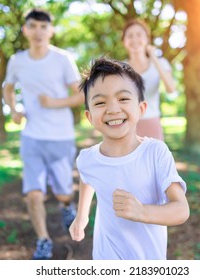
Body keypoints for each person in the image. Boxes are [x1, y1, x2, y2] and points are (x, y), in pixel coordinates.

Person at [69, 57, 189, 260]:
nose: (113, 109)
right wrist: (82, 216)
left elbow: (181, 210)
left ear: (141, 109)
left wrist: (142, 212)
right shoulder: (87, 158)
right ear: (90, 117)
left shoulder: (155, 152)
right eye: (100, 102)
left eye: (123, 99)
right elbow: (86, 177)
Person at [2, 8, 83, 260]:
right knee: (33, 192)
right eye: (33, 26)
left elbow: (81, 95)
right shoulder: (17, 61)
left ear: (51, 31)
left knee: (62, 191)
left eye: (43, 27)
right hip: (32, 137)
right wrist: (14, 110)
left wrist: (54, 103)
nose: (38, 31)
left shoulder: (63, 59)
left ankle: (66, 205)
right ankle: (43, 240)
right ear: (25, 30)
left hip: (61, 136)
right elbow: (8, 87)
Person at [122, 19, 177, 141]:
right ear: (124, 41)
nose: (135, 39)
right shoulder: (120, 68)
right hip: (126, 126)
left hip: (152, 123)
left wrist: (154, 58)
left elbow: (171, 89)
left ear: (147, 39)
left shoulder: (161, 63)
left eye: (139, 35)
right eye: (130, 35)